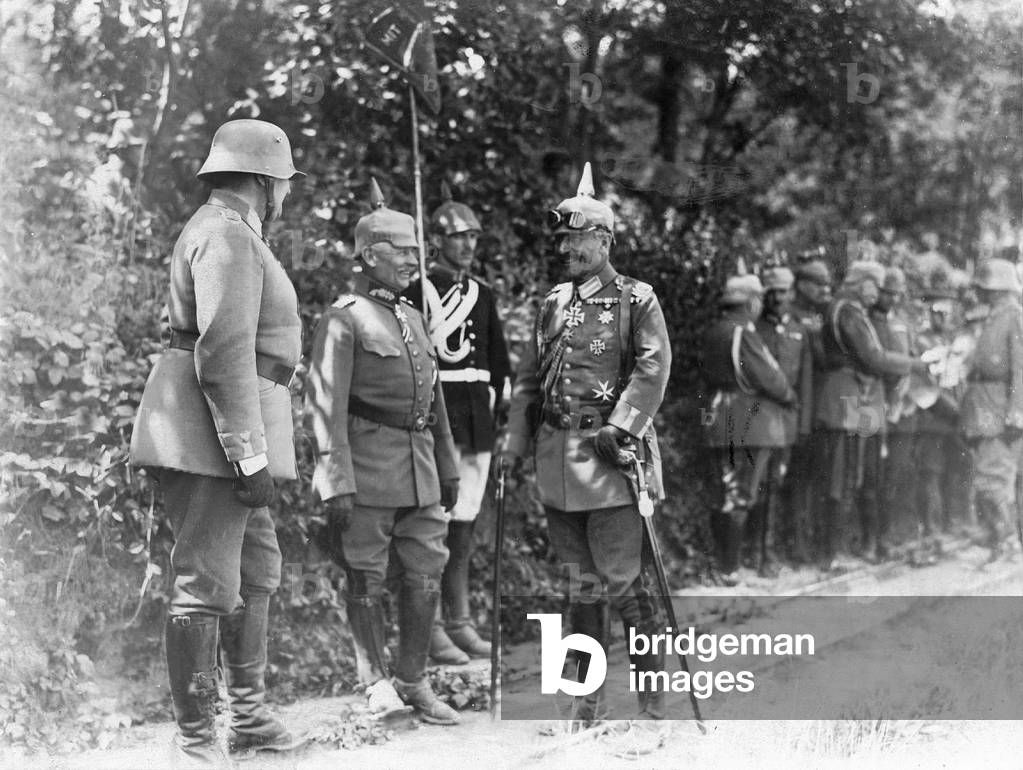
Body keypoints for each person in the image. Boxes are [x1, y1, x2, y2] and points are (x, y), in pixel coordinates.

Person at [130, 119, 305, 762]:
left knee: (256, 570)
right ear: (263, 179)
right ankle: (198, 741)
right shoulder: (227, 234)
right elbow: (224, 352)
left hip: (226, 430)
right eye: (284, 181)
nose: (287, 192)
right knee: (203, 583)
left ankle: (249, 718)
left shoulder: (233, 230)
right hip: (211, 436)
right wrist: (249, 455)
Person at [503, 163, 671, 721]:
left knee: (624, 584)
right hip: (559, 461)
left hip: (612, 460)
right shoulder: (553, 302)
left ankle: (651, 704)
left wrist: (620, 428)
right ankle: (586, 702)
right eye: (562, 240)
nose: (566, 249)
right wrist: (515, 443)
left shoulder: (636, 299)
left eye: (576, 239)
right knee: (582, 586)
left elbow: (653, 369)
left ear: (604, 241)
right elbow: (530, 379)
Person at [306, 180, 461, 725]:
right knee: (366, 578)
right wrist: (335, 479)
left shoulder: (413, 317)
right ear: (370, 255)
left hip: (420, 470)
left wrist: (448, 467)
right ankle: (376, 683)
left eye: (416, 250)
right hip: (368, 470)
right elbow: (324, 403)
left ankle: (413, 679)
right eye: (402, 250)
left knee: (425, 573)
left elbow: (434, 400)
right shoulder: (344, 317)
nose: (413, 260)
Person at [404, 184, 512, 665]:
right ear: (437, 242)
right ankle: (429, 629)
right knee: (432, 522)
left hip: (477, 417)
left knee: (464, 521)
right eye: (458, 236)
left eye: (473, 237)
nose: (468, 245)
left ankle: (461, 621)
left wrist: (501, 410)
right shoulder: (418, 290)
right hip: (438, 415)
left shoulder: (481, 294)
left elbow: (498, 360)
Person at [815, 261, 928, 569]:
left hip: (858, 401)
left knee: (858, 474)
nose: (877, 292)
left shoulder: (850, 310)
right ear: (861, 282)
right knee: (843, 477)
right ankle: (831, 554)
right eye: (874, 285)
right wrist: (914, 365)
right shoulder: (848, 311)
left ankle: (846, 549)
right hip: (848, 401)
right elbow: (873, 357)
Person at [703, 274, 797, 579]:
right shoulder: (744, 333)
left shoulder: (715, 330)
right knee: (743, 495)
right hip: (750, 422)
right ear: (752, 303)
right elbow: (770, 378)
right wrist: (789, 395)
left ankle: (722, 564)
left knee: (725, 492)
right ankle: (730, 568)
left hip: (718, 419)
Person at [960, 258, 1023, 561]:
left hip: (999, 410)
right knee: (987, 476)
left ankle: (1007, 543)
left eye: (984, 288)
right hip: (984, 407)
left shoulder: (1014, 317)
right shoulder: (994, 317)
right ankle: (997, 537)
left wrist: (1017, 413)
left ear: (997, 289)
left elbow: (1021, 369)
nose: (980, 293)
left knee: (995, 478)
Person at [753, 266, 813, 573]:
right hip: (761, 420)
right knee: (761, 487)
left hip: (789, 422)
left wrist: (803, 424)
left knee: (782, 485)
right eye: (773, 292)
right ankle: (761, 553)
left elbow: (805, 381)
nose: (778, 298)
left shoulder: (800, 330)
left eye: (784, 292)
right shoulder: (754, 328)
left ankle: (784, 549)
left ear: (791, 294)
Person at [782, 258, 833, 563]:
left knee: (814, 480)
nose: (822, 290)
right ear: (801, 284)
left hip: (818, 410)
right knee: (797, 481)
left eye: (826, 284)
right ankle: (796, 545)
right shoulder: (789, 315)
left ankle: (809, 542)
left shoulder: (819, 317)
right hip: (796, 410)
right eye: (817, 284)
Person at [871, 267, 919, 550]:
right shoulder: (868, 320)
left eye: (897, 294)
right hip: (873, 405)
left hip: (903, 408)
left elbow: (912, 359)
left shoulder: (903, 323)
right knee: (872, 473)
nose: (893, 299)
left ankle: (891, 532)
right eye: (888, 293)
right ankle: (872, 536)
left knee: (898, 472)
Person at [913, 288, 965, 542]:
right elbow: (926, 386)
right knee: (931, 473)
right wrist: (957, 411)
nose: (942, 318)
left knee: (954, 471)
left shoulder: (952, 340)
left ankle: (952, 523)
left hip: (954, 420)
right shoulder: (920, 341)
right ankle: (932, 528)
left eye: (946, 312)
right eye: (936, 312)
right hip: (933, 418)